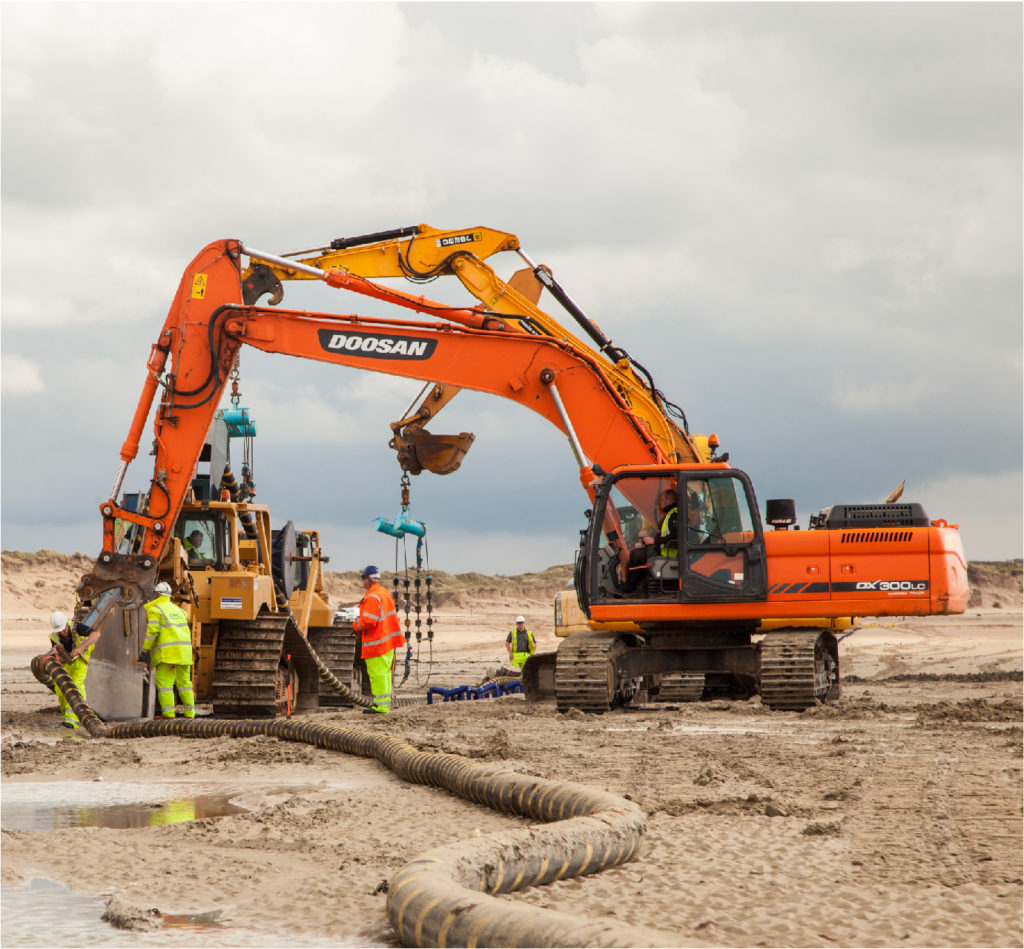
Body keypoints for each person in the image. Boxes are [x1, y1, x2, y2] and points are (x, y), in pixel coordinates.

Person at [352, 565, 404, 714]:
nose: (362, 582)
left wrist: (356, 625)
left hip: (377, 643)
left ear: (368, 579)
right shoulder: (383, 592)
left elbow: (369, 621)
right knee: (386, 674)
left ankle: (381, 707)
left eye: (363, 578)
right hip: (388, 642)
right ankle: (384, 705)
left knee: (378, 675)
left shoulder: (372, 596)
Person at [139, 581, 195, 719]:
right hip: (185, 654)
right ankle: (190, 715)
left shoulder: (155, 610)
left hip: (169, 655)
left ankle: (168, 715)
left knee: (164, 682)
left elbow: (152, 632)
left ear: (156, 594)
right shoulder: (180, 611)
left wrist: (144, 650)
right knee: (184, 684)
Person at [41, 610, 101, 730]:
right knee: (60, 687)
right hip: (67, 661)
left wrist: (80, 648)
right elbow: (56, 652)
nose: (62, 633)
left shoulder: (77, 627)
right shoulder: (55, 637)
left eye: (64, 629)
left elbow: (96, 635)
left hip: (80, 659)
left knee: (75, 685)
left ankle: (72, 720)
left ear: (66, 624)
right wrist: (55, 659)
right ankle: (66, 717)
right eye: (60, 631)